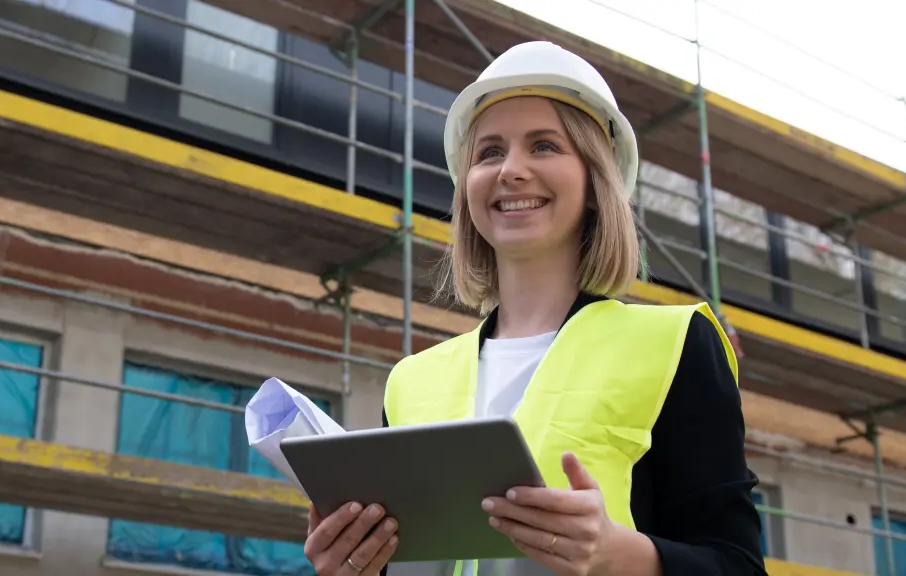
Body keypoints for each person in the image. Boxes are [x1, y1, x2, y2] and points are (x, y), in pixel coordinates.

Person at [301, 41, 767, 576]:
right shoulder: (411, 381)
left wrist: (618, 554)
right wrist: (353, 565)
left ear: (596, 182)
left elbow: (738, 566)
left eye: (544, 146)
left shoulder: (674, 344)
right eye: (490, 152)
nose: (511, 171)